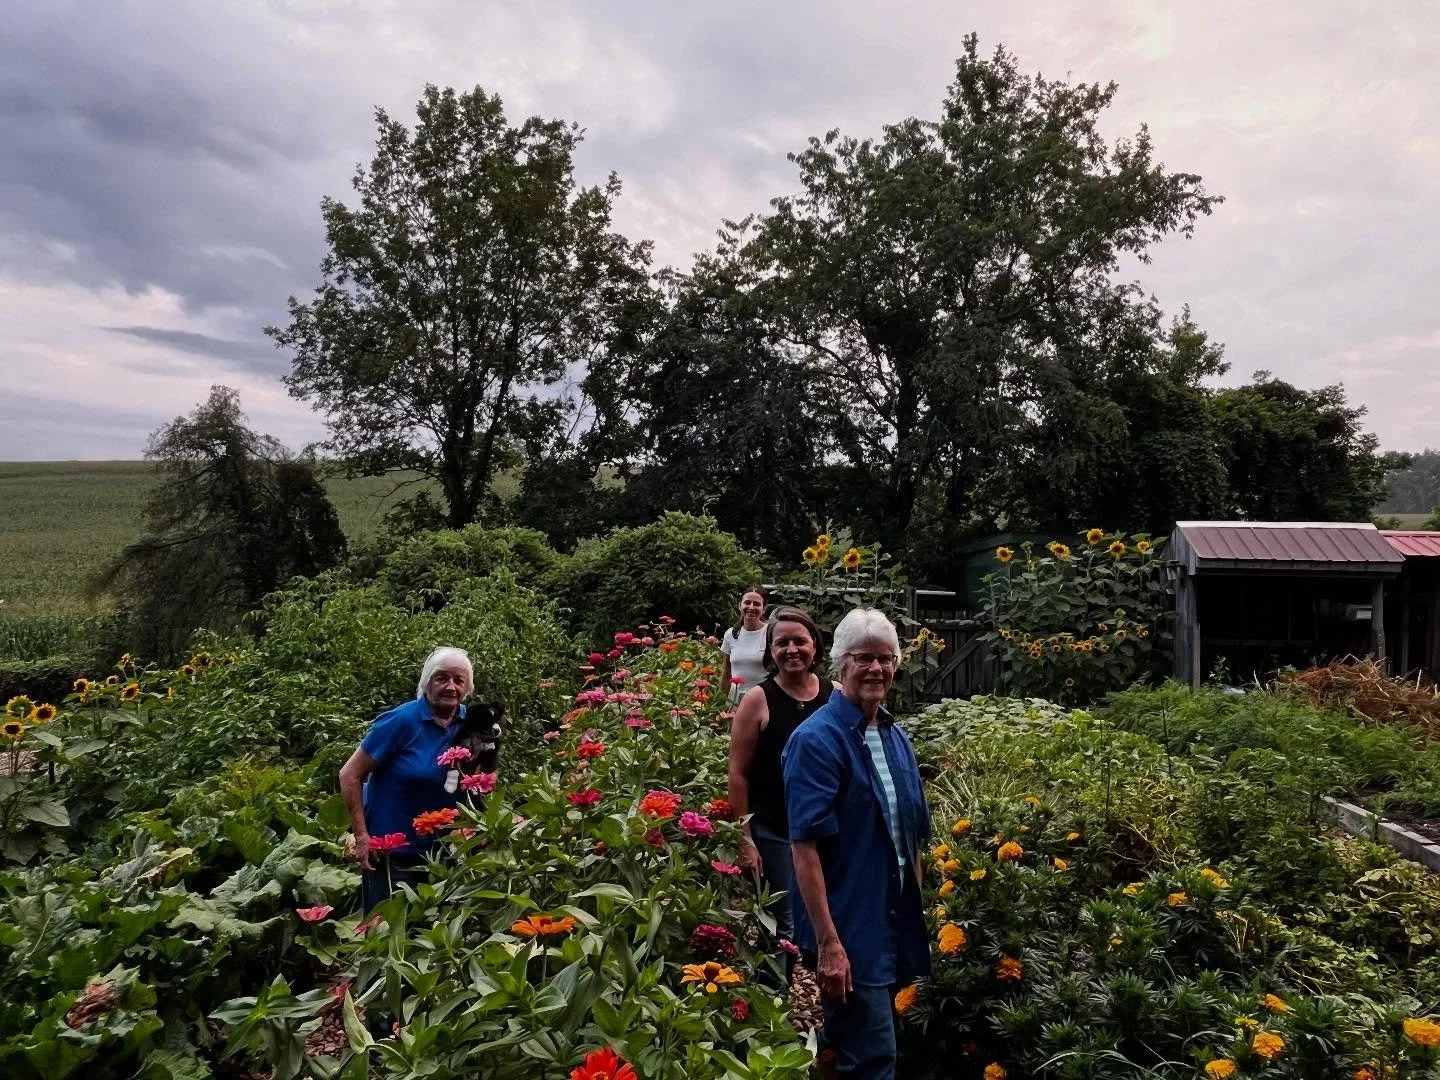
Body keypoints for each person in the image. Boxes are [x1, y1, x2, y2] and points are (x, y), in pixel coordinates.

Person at [782, 608, 930, 1079]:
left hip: (892, 921)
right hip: (850, 925)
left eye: (886, 659)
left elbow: (912, 837)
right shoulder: (817, 741)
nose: (876, 669)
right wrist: (829, 945)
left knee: (846, 1041)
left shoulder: (894, 736)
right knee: (874, 1058)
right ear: (840, 665)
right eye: (863, 657)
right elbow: (802, 848)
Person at [338, 646, 502, 913]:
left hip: (448, 856)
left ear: (467, 688)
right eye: (442, 678)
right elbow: (349, 774)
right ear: (427, 682)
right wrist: (361, 836)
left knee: (438, 941)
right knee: (388, 936)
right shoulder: (401, 721)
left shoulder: (471, 725)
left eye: (459, 680)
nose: (450, 687)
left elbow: (484, 779)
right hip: (393, 856)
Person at [727, 606, 831, 987]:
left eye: (799, 641)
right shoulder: (758, 699)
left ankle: (832, 996)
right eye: (781, 642)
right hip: (775, 830)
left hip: (824, 831)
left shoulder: (834, 697)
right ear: (769, 652)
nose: (791, 649)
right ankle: (772, 1007)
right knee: (783, 921)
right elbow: (738, 773)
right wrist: (744, 837)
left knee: (827, 916)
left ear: (815, 647)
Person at [720, 588, 768, 703]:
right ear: (740, 605)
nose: (751, 607)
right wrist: (722, 700)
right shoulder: (731, 634)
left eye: (756, 604)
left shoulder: (771, 633)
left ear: (764, 608)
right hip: (735, 698)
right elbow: (727, 671)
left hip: (763, 698)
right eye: (747, 602)